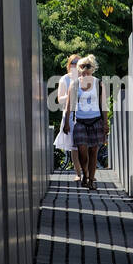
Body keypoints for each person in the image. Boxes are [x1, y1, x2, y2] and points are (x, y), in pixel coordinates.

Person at [65, 55, 108, 192]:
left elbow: (104, 105)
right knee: (82, 151)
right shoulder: (74, 84)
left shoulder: (98, 84)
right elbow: (69, 106)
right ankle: (85, 173)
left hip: (96, 121)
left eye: (88, 67)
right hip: (80, 122)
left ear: (93, 69)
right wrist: (67, 122)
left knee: (93, 151)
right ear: (79, 69)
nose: (85, 69)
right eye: (82, 67)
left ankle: (90, 180)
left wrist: (105, 123)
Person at [53, 53, 82, 181]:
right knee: (74, 146)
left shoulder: (86, 78)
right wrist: (72, 95)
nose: (76, 65)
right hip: (70, 115)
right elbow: (60, 99)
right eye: (73, 63)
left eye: (78, 63)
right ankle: (78, 173)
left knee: (86, 146)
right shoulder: (64, 79)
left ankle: (87, 172)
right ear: (69, 65)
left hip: (86, 114)